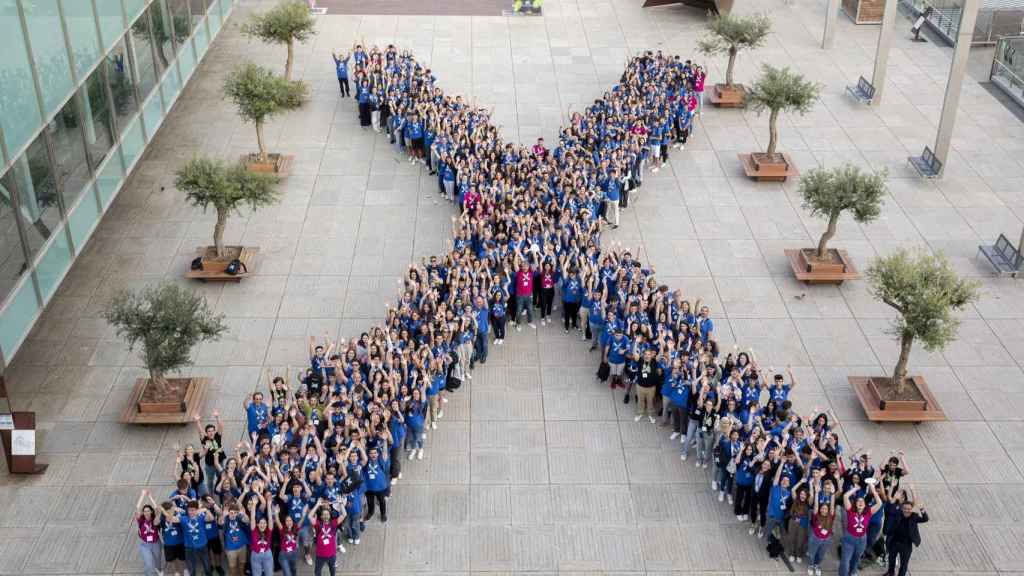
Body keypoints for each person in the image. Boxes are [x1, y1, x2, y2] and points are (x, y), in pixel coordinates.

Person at [839, 481, 883, 576]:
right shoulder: (850, 510)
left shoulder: (868, 512)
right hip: (849, 539)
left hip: (862, 540)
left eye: (862, 501)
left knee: (856, 558)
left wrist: (873, 489)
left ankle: (853, 572)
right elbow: (845, 496)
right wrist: (855, 489)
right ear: (855, 504)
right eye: (858, 501)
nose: (860, 502)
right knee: (845, 561)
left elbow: (879, 503)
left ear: (865, 505)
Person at [885, 492, 928, 576]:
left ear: (911, 509)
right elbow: (890, 509)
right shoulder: (898, 514)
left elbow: (925, 519)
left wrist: (922, 509)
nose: (907, 510)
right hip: (894, 542)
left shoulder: (914, 517)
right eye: (905, 508)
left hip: (906, 545)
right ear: (902, 508)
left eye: (909, 509)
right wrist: (894, 499)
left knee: (904, 564)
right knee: (891, 559)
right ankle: (891, 573)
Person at [136, 490, 163, 576]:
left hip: (156, 543)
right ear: (143, 513)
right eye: (145, 511)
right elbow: (137, 509)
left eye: (148, 510)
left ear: (151, 512)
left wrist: (150, 497)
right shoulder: (141, 521)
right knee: (149, 564)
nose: (146, 512)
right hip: (145, 544)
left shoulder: (154, 521)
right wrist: (142, 495)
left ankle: (158, 570)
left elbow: (157, 510)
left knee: (158, 559)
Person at [309, 501, 340, 576]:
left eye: (327, 514)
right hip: (320, 556)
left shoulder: (333, 523)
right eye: (324, 514)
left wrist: (341, 504)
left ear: (330, 516)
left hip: (332, 555)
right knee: (317, 572)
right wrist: (317, 505)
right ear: (321, 516)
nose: (326, 516)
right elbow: (309, 516)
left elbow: (344, 514)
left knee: (333, 572)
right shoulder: (318, 524)